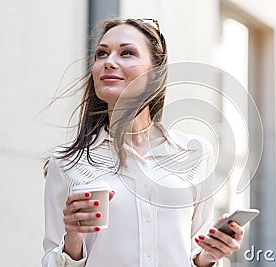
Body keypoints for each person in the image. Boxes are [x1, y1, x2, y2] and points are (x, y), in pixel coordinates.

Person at [42, 18, 245, 267]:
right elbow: (50, 259)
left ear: (155, 72)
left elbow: (196, 251)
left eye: (126, 53)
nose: (109, 62)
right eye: (101, 54)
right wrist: (73, 239)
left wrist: (212, 255)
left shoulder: (195, 153)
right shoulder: (67, 162)